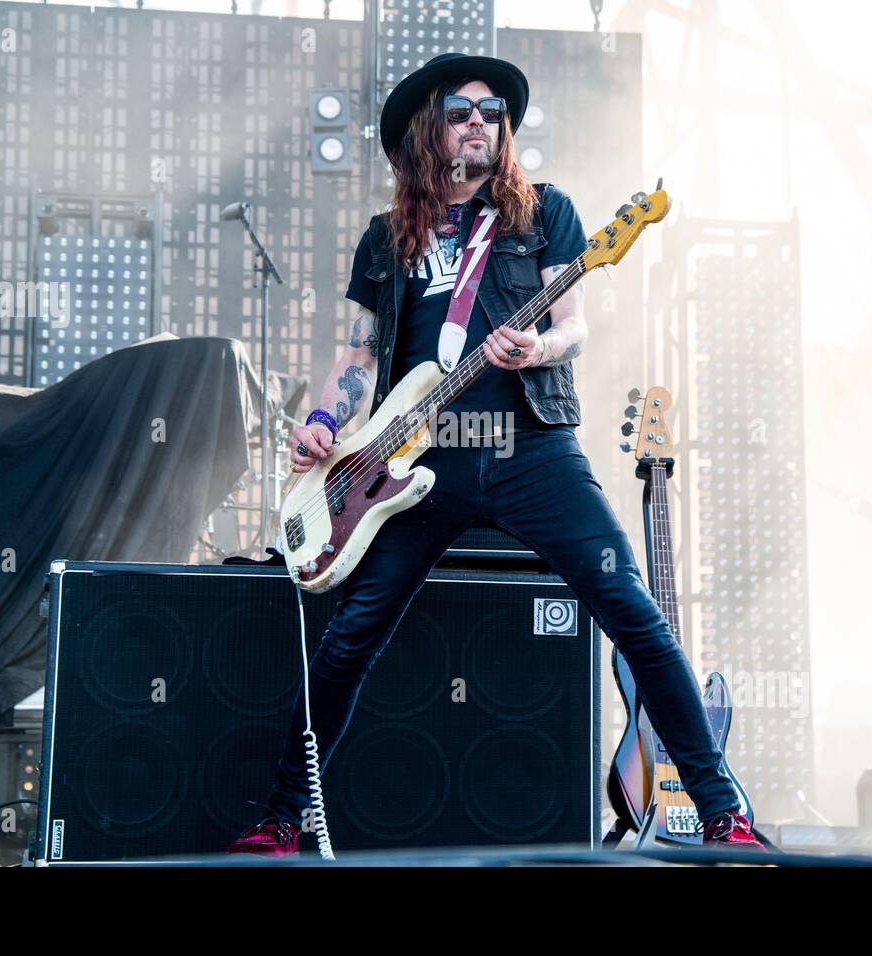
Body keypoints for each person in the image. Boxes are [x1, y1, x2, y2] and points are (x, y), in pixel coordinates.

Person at [229, 52, 762, 856]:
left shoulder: (544, 214)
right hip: (416, 469)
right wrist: (323, 420)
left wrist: (538, 348)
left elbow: (575, 325)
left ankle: (725, 816)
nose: (479, 119)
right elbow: (361, 359)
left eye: (491, 110)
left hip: (531, 452)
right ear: (427, 129)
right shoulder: (386, 241)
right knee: (345, 642)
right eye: (459, 109)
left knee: (638, 619)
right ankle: (282, 820)